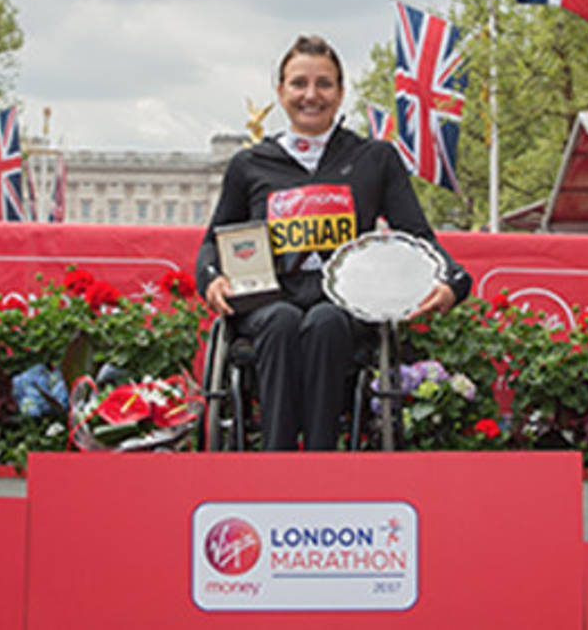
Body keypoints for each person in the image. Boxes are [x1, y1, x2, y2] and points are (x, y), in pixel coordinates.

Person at [195, 35, 471, 451]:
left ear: (341, 93)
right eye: (299, 84)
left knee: (325, 321)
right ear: (281, 92)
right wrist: (212, 278)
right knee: (283, 321)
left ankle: (324, 462)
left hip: (345, 305)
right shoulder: (249, 164)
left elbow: (419, 238)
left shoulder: (374, 159)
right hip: (269, 303)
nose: (311, 95)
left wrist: (454, 281)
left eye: (324, 84)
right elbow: (212, 245)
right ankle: (276, 459)